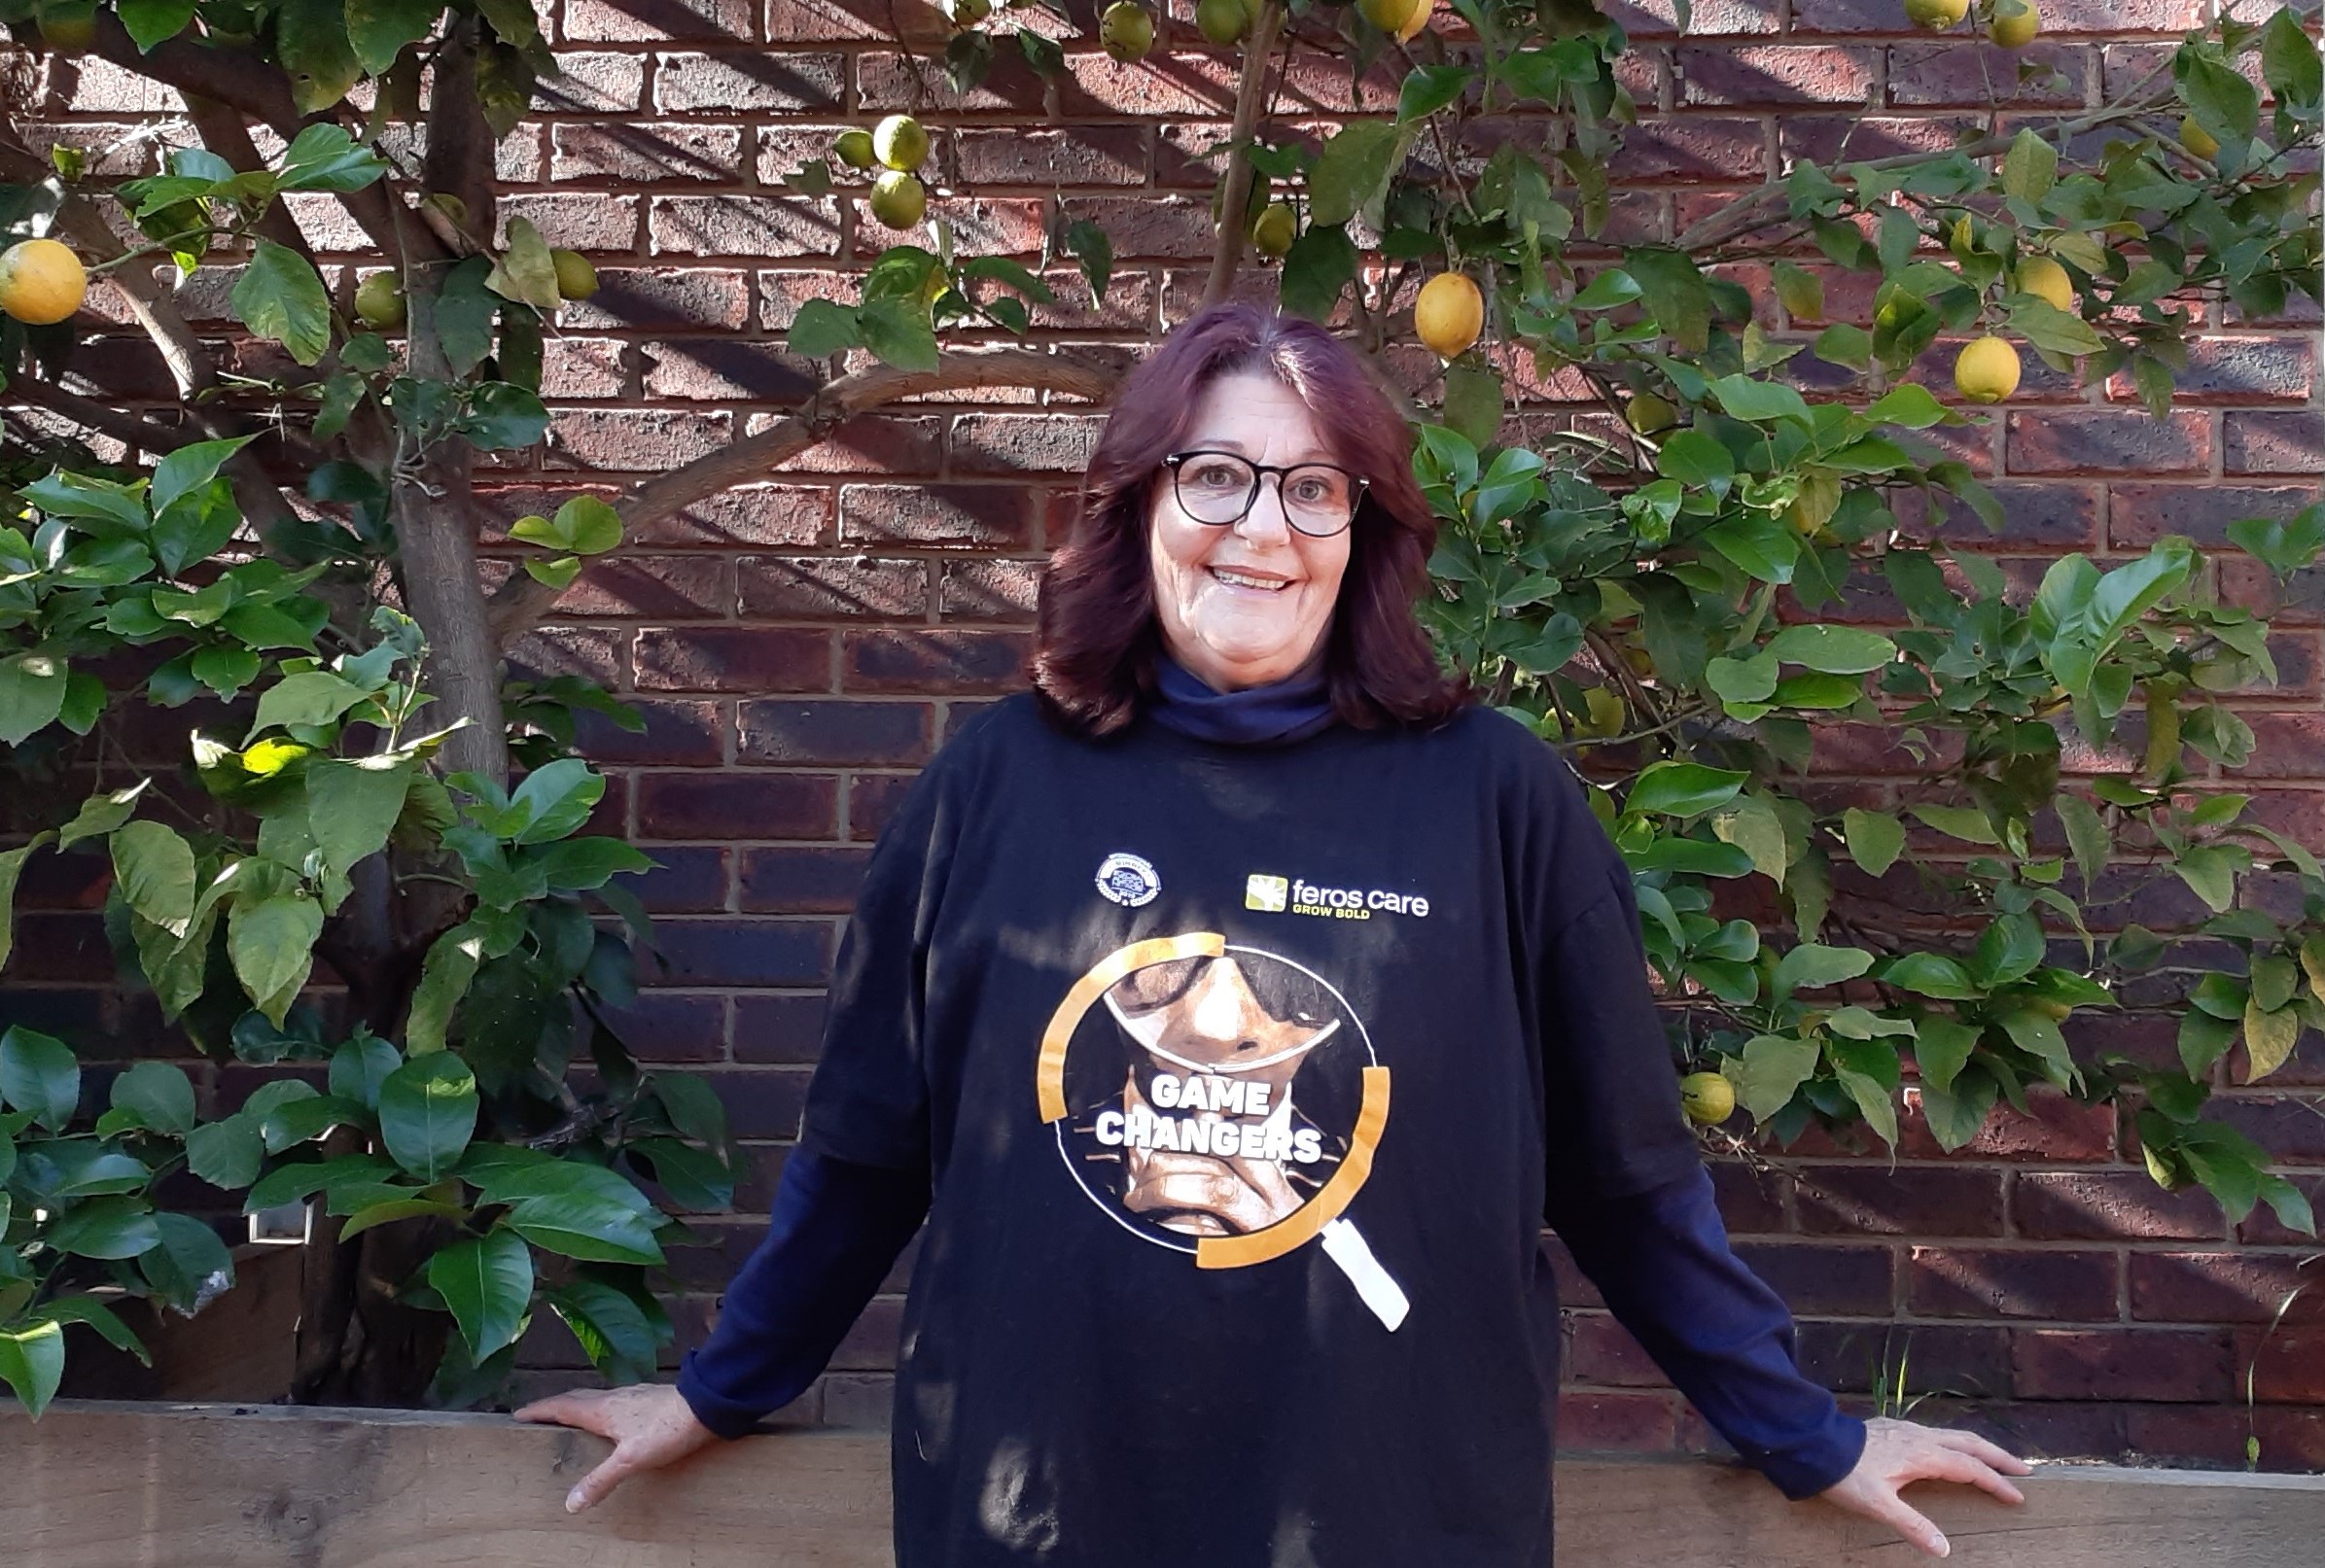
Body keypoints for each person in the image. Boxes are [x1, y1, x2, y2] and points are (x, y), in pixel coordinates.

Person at [516, 305, 2030, 1564]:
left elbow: (1628, 1176)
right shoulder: (994, 784)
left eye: (1316, 488)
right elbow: (863, 1152)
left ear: (1363, 528)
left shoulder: (1493, 799)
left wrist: (1801, 1427)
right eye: (1220, 476)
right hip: (1043, 1512)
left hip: (1395, 1515)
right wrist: (722, 1389)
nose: (1265, 528)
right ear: (1144, 501)